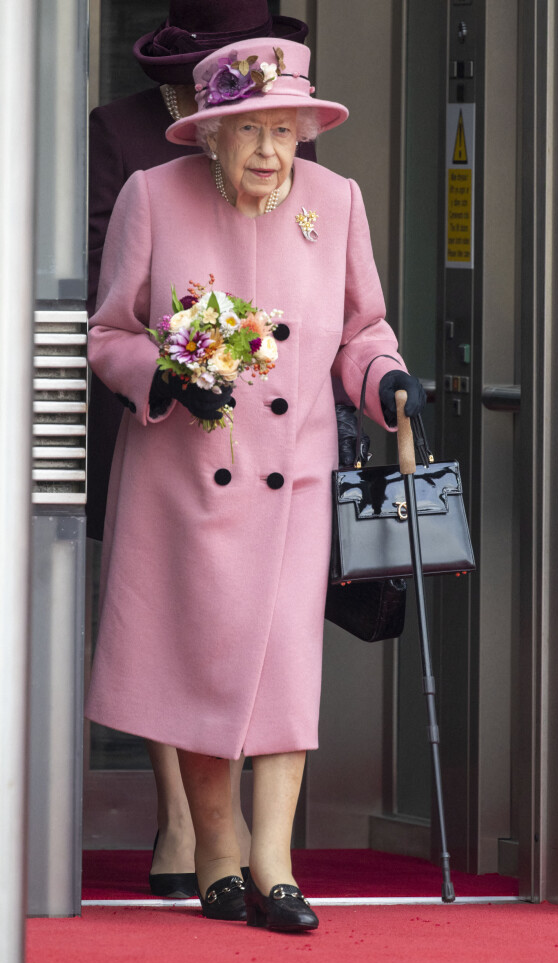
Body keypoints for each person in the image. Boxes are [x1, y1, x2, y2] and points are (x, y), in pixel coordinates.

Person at [85, 36, 425, 931]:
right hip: (185, 483)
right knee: (199, 671)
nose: (271, 150)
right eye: (250, 131)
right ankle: (217, 855)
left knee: (281, 673)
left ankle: (274, 868)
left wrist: (385, 378)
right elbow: (110, 333)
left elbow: (364, 330)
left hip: (294, 481)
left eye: (285, 129)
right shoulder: (152, 197)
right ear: (209, 137)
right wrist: (161, 374)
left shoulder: (335, 201)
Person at [87, 0, 313, 899]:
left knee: (274, 645)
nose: (267, 137)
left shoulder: (291, 142)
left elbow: (323, 272)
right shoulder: (129, 144)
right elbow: (112, 290)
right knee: (179, 635)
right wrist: (176, 359)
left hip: (280, 442)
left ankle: (262, 854)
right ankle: (184, 819)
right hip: (175, 417)